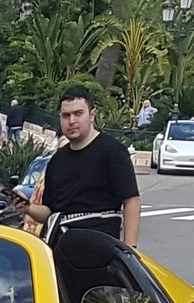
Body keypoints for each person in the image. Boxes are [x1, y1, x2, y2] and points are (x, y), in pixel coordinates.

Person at [29, 87, 141, 246]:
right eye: (66, 115)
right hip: (61, 249)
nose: (72, 121)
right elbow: (48, 212)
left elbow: (131, 201)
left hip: (100, 250)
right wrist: (27, 207)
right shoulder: (57, 160)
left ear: (92, 115)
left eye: (78, 113)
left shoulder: (112, 151)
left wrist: (130, 251)